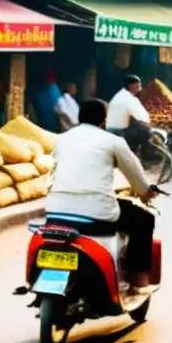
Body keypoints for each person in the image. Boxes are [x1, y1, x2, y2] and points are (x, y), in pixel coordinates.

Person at [46, 99, 157, 288]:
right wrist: (145, 193)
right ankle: (138, 278)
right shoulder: (113, 141)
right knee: (144, 219)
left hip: (55, 212)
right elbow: (135, 174)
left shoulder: (61, 139)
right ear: (103, 120)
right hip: (95, 215)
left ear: (79, 117)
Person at [108, 75, 151, 152]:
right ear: (131, 86)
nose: (140, 87)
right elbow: (143, 118)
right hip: (119, 132)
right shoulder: (128, 98)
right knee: (145, 131)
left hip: (111, 130)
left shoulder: (121, 94)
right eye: (138, 85)